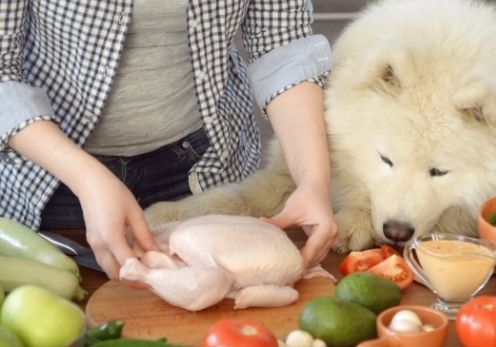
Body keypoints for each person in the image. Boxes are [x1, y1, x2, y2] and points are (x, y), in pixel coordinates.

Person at [0, 0, 338, 281]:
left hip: (202, 168)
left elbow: (280, 40)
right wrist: (87, 179)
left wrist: (312, 180)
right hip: (51, 177)